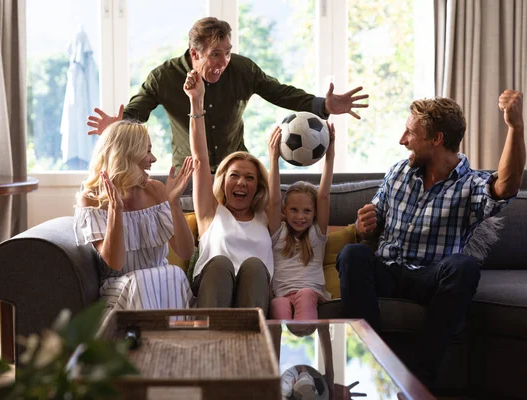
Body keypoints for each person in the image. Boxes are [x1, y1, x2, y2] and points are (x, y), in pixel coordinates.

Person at [336, 90, 525, 387]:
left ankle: (418, 379)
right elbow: (371, 225)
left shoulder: (471, 185)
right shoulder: (399, 172)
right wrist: (364, 225)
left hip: (430, 279)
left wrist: (515, 128)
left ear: (436, 139)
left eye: (410, 132)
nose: (402, 140)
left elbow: (507, 185)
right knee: (352, 255)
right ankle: (369, 360)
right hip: (388, 269)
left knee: (463, 267)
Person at [86, 17, 369, 172]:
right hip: (189, 172)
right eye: (215, 55)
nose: (223, 62)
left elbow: (281, 93)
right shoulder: (164, 76)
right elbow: (137, 114)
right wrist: (117, 127)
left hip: (236, 169)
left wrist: (324, 105)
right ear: (195, 53)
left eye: (228, 52)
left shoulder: (243, 69)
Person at [73, 120, 195, 315]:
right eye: (146, 151)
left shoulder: (156, 190)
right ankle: (149, 345)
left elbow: (186, 252)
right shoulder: (91, 199)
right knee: (142, 280)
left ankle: (174, 344)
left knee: (174, 273)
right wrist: (115, 211)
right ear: (126, 155)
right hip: (120, 290)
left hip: (163, 285)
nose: (153, 159)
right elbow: (115, 262)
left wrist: (173, 203)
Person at [183, 68, 273, 315]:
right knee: (221, 263)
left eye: (250, 178)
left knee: (254, 266)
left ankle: (252, 347)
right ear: (223, 181)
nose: (242, 182)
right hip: (213, 285)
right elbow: (200, 159)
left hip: (256, 292)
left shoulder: (266, 216)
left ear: (258, 187)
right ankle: (210, 345)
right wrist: (196, 101)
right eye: (234, 175)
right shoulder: (211, 212)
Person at [267, 122, 335, 321]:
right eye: (294, 210)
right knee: (277, 303)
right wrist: (273, 158)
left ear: (314, 213)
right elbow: (273, 200)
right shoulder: (278, 233)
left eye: (307, 211)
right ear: (284, 211)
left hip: (312, 292)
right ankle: (281, 350)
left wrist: (330, 154)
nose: (300, 216)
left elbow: (323, 196)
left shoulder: (317, 234)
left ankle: (305, 331)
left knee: (305, 294)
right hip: (281, 295)